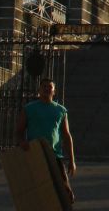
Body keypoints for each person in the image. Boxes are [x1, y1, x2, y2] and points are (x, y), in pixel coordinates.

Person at [16, 78, 76, 206]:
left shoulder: (61, 110)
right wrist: (22, 142)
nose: (47, 89)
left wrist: (72, 160)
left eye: (50, 87)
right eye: (44, 87)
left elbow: (66, 135)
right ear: (39, 90)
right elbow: (19, 131)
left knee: (64, 190)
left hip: (55, 155)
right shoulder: (29, 109)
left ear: (54, 91)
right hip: (35, 153)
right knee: (36, 189)